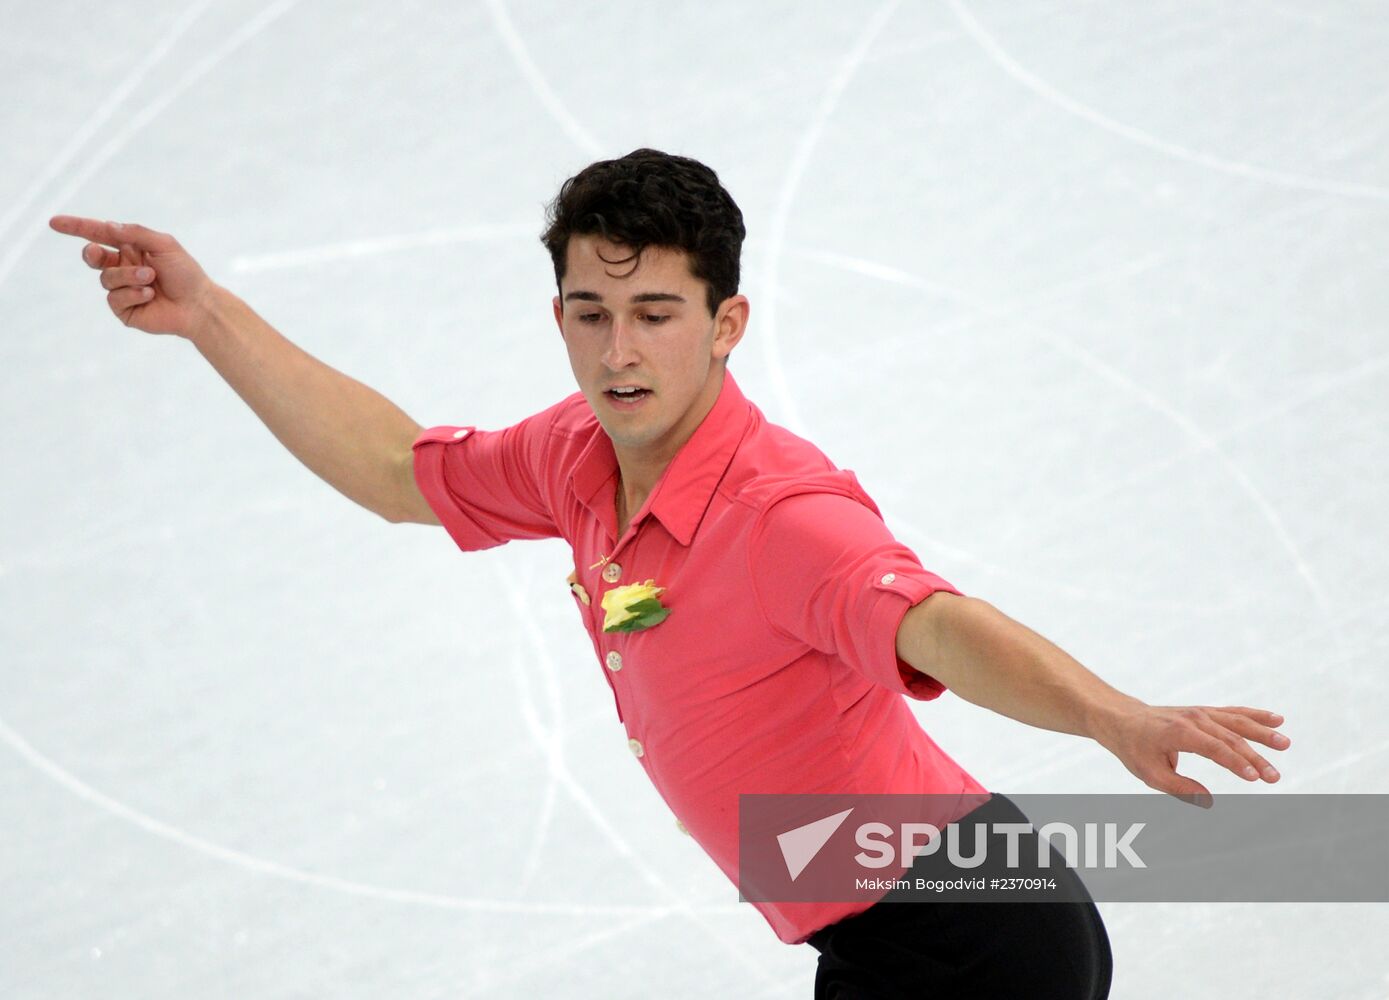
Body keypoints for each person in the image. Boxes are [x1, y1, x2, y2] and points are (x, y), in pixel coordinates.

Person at [50, 147, 1289, 998]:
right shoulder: (577, 456)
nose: (619, 349)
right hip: (877, 923)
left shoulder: (780, 513)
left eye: (654, 310)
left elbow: (938, 626)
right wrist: (208, 316)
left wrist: (1111, 716)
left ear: (727, 321)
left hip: (973, 936)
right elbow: (391, 467)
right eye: (591, 310)